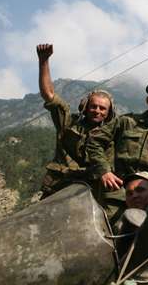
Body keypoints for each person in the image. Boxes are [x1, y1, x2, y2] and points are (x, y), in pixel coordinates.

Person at [87, 80, 148, 220]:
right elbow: (94, 141)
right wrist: (104, 171)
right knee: (109, 231)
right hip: (118, 191)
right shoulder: (127, 121)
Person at [36, 44, 116, 198]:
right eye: (93, 106)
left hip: (88, 196)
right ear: (85, 106)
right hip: (56, 190)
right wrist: (43, 61)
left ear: (109, 113)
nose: (97, 111)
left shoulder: (113, 134)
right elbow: (48, 94)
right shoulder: (68, 122)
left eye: (102, 108)